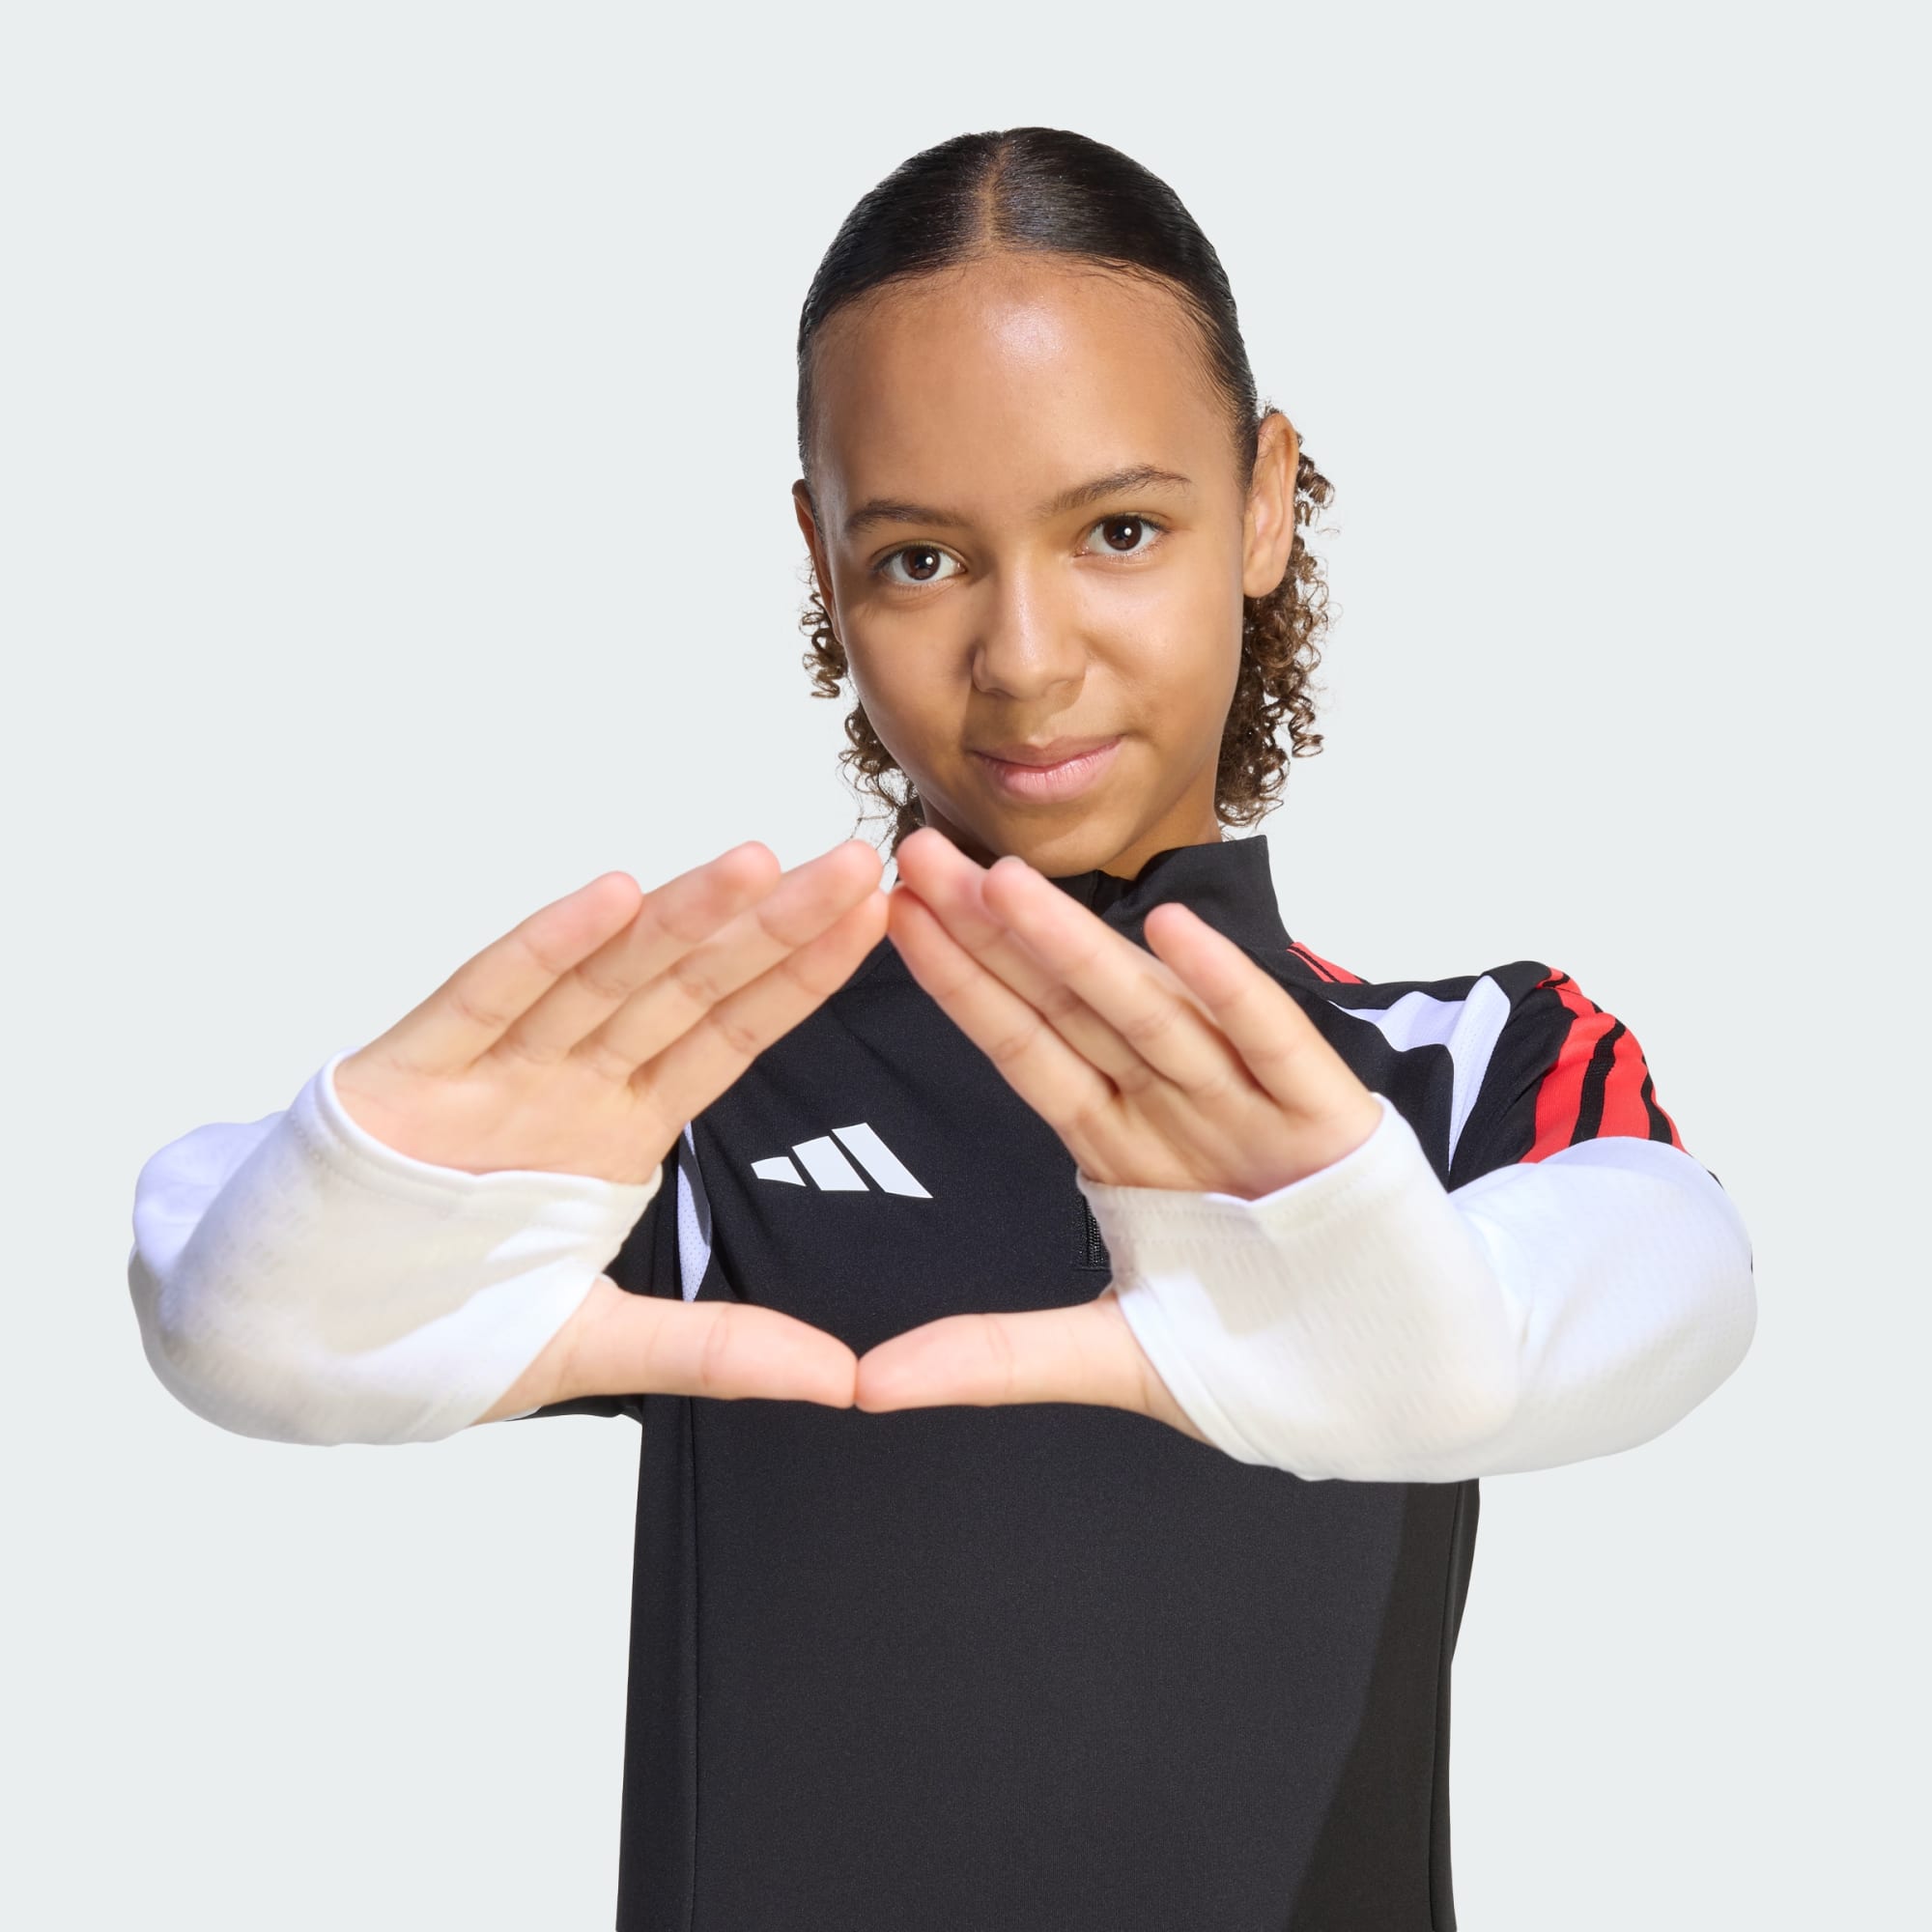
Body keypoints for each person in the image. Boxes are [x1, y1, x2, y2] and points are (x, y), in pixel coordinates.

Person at [127, 127, 1757, 1930]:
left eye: (1120, 530)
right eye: (920, 558)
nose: (1026, 657)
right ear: (821, 560)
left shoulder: (1464, 1067)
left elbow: (1671, 1260)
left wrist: (1457, 1334)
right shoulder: (704, 1080)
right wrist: (293, 1267)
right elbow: (243, 1259)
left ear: (1266, 501)